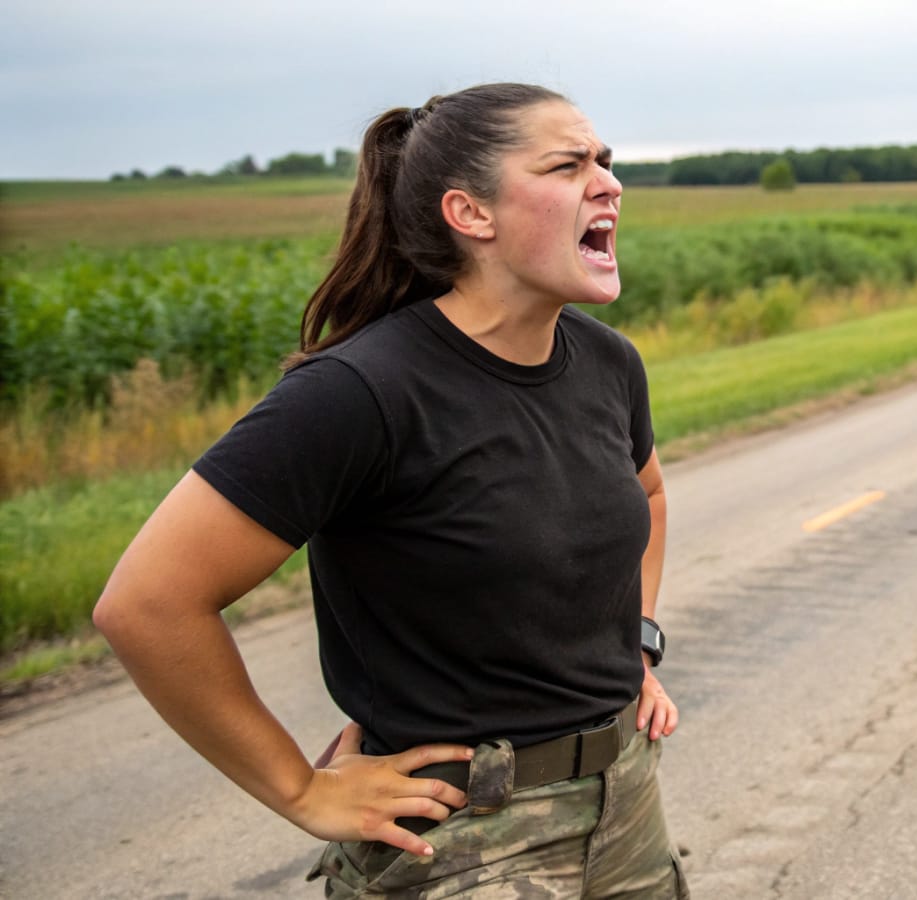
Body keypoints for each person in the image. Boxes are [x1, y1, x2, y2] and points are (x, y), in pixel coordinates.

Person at [94, 83, 689, 898]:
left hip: (624, 806)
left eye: (606, 161)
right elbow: (148, 603)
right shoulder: (359, 393)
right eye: (567, 164)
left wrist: (638, 642)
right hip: (463, 839)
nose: (608, 181)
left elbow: (646, 496)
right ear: (470, 214)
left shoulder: (607, 363)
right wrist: (300, 792)